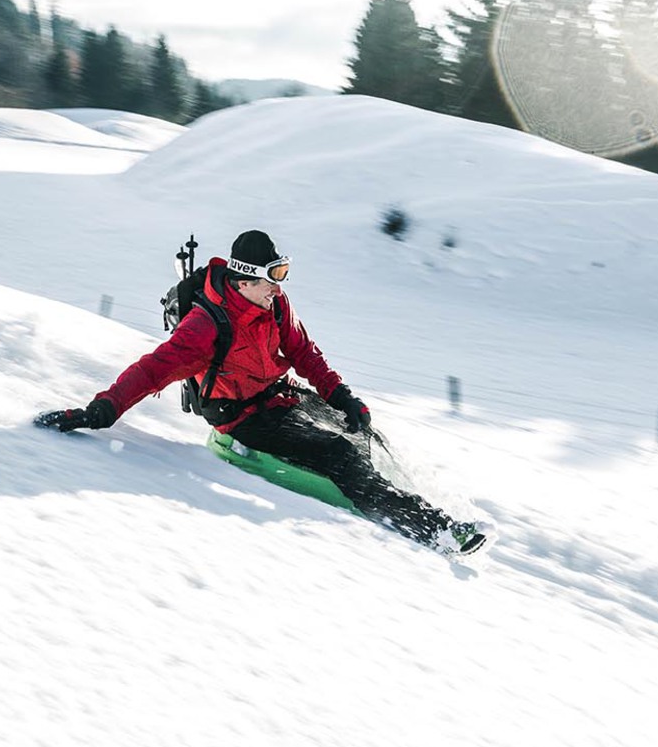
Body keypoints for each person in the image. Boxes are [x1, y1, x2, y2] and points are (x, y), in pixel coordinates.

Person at [51, 229, 488, 556]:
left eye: (283, 274)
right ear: (243, 281)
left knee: (363, 432)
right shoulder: (205, 326)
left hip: (282, 394)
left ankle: (408, 495)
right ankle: (438, 530)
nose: (279, 286)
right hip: (244, 417)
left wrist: (342, 397)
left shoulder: (273, 304)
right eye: (272, 277)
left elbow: (303, 349)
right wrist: (99, 412)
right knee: (341, 452)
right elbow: (152, 371)